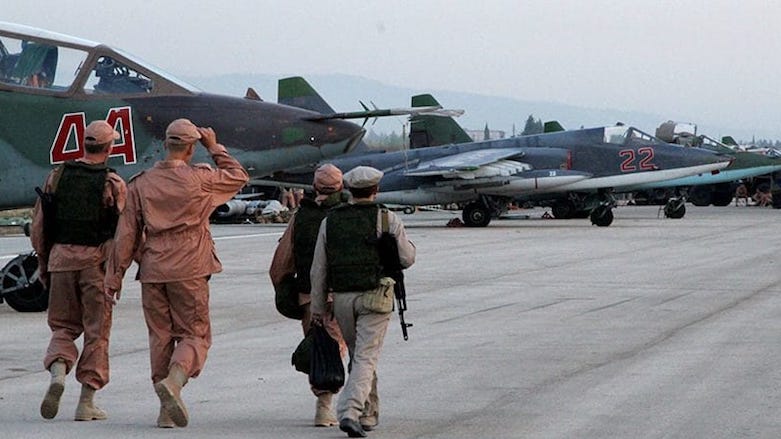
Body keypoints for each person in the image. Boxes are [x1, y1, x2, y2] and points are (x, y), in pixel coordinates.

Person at [103, 118, 248, 428]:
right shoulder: (201, 179)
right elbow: (239, 176)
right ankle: (174, 383)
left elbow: (126, 235)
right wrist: (216, 148)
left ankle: (165, 411)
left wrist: (114, 277)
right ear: (192, 148)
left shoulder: (140, 183)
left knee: (160, 336)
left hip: (153, 268)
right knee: (195, 335)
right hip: (190, 267)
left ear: (165, 144)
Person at [31, 120, 127, 421]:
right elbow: (123, 232)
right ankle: (86, 402)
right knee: (97, 333)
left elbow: (39, 225)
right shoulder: (113, 183)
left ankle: (58, 373)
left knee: (62, 327)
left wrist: (44, 263)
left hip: (60, 259)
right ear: (110, 147)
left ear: (83, 144)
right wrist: (117, 272)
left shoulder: (57, 176)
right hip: (95, 264)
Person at [310, 166, 416, 438]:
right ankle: (350, 411)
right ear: (376, 190)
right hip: (376, 296)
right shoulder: (386, 218)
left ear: (350, 190)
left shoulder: (330, 221)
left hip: (343, 298)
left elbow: (318, 269)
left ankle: (368, 415)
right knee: (366, 358)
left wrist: (319, 308)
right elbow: (407, 258)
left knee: (359, 357)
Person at [269, 164, 348, 427]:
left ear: (315, 187)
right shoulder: (351, 214)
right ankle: (348, 404)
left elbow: (280, 264)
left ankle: (324, 404)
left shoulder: (301, 217)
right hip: (349, 295)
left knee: (320, 348)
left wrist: (284, 292)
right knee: (348, 349)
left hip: (310, 297)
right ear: (341, 186)